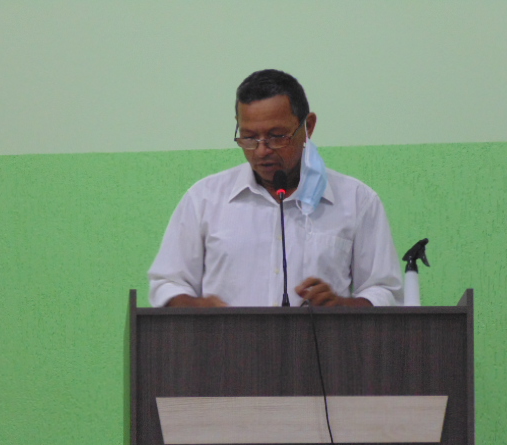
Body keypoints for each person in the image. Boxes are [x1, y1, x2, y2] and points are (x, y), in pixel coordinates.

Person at [148, 69, 403, 308]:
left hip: (323, 342)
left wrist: (343, 307)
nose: (262, 151)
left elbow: (384, 290)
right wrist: (198, 308)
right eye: (249, 137)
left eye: (277, 136)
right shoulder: (204, 199)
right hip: (226, 341)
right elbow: (167, 284)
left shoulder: (357, 201)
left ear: (308, 126)